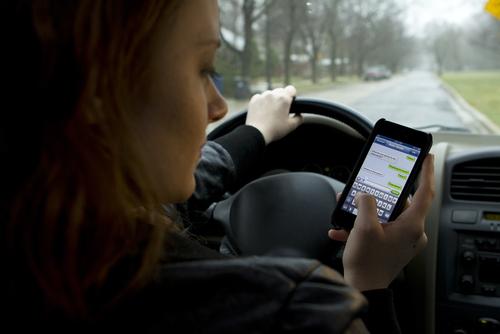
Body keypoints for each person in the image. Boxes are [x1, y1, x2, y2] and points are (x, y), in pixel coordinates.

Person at [1, 0, 435, 333]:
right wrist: (369, 281)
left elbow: (186, 189)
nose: (219, 106)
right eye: (203, 68)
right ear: (95, 94)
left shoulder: (45, 238)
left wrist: (257, 132)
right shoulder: (288, 310)